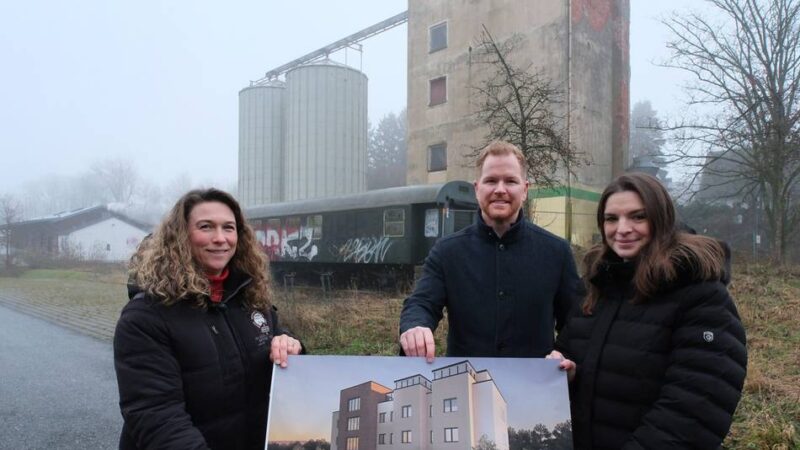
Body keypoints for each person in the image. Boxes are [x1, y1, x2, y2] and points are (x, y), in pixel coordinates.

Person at [548, 173, 747, 449]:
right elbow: (572, 354)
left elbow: (694, 411)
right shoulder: (595, 288)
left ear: (661, 219)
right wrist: (566, 372)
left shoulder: (700, 295)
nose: (622, 229)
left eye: (638, 217)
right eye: (611, 218)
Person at [113, 188, 303, 450]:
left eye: (228, 228)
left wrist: (290, 345)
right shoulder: (145, 317)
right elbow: (157, 417)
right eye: (206, 227)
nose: (220, 238)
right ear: (181, 236)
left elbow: (276, 346)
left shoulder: (250, 298)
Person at [399, 141, 580, 361]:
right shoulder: (447, 252)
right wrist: (415, 326)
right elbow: (421, 303)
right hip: (465, 379)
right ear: (477, 189)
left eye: (510, 181)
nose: (500, 189)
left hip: (535, 381)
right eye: (491, 180)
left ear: (525, 189)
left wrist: (565, 354)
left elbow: (575, 323)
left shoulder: (557, 253)